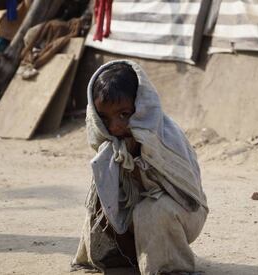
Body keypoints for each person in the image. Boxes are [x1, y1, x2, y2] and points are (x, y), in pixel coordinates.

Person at [71, 60, 208, 275]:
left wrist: (138, 166)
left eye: (124, 114)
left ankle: (168, 267)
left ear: (142, 107)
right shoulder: (110, 146)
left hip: (183, 212)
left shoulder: (165, 137)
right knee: (102, 195)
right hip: (137, 220)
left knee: (150, 209)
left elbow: (187, 196)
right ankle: (127, 259)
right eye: (105, 118)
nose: (114, 127)